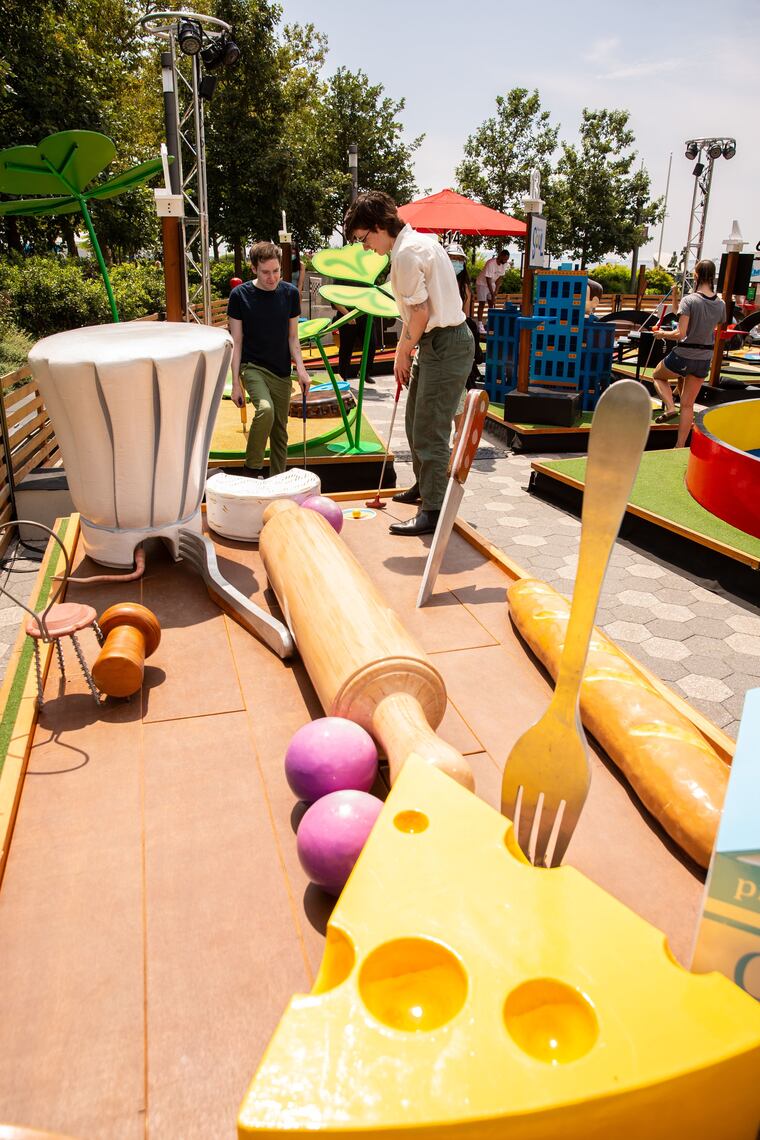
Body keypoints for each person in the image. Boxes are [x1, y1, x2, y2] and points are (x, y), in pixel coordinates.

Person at [344, 191, 474, 536]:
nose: (365, 247)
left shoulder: (406, 253)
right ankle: (424, 487)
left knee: (430, 427)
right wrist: (412, 348)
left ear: (377, 226)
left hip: (445, 342)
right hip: (437, 341)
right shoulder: (418, 242)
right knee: (415, 420)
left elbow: (420, 312)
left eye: (363, 238)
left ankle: (434, 508)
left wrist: (403, 351)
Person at [228, 240, 311, 477]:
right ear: (253, 268)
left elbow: (293, 338)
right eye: (265, 272)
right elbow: (237, 341)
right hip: (252, 366)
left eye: (276, 271)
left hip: (281, 371)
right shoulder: (239, 296)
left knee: (280, 431)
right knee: (265, 410)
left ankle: (277, 480)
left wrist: (302, 371)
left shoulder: (290, 294)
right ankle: (251, 469)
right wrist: (235, 383)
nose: (272, 277)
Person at [652, 259, 726, 449]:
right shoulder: (721, 303)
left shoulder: (691, 299)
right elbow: (712, 326)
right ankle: (679, 445)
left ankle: (669, 407)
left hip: (685, 353)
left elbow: (680, 334)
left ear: (696, 274)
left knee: (657, 376)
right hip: (704, 358)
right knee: (688, 405)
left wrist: (661, 334)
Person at [446, 242, 484, 433]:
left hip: (458, 342)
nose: (456, 263)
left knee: (459, 390)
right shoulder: (438, 283)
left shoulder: (464, 288)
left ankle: (460, 433)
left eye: (459, 260)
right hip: (440, 344)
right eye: (452, 259)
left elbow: (466, 317)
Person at [475, 249, 509, 334]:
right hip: (482, 284)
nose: (505, 261)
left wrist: (496, 292)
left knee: (492, 304)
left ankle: (490, 322)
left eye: (506, 259)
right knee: (482, 303)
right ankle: (480, 325)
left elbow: (500, 278)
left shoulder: (504, 265)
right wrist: (492, 294)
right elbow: (488, 279)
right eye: (504, 259)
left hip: (492, 283)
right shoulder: (491, 263)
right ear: (500, 256)